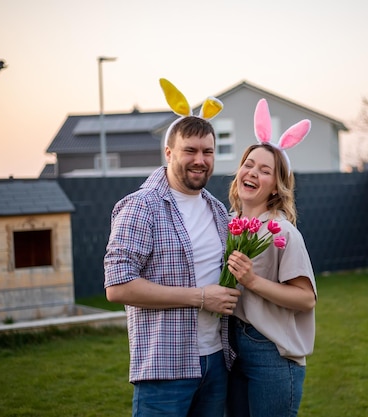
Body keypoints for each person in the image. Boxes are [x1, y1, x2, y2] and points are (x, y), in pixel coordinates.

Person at [104, 79, 241, 417]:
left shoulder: (216, 209)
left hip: (215, 361)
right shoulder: (140, 207)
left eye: (207, 151)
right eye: (190, 150)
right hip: (165, 368)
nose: (200, 160)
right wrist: (200, 297)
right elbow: (117, 286)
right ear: (169, 153)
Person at [224, 98, 317, 417]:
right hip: (231, 346)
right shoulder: (227, 223)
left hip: (271, 351)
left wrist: (252, 281)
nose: (252, 173)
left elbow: (306, 299)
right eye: (248, 164)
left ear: (276, 188)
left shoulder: (283, 233)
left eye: (265, 170)